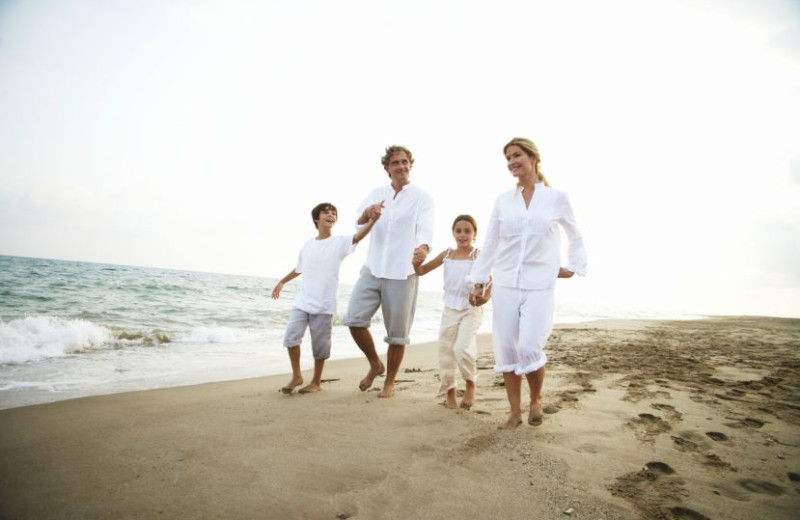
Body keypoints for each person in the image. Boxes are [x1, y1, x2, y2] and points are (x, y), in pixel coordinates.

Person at [468, 137, 587, 429]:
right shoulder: (502, 202)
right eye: (507, 158)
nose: (511, 162)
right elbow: (491, 242)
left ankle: (535, 399)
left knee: (530, 346)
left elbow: (575, 235)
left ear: (533, 158)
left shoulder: (557, 198)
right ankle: (514, 411)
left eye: (516, 155)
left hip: (540, 283)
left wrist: (573, 266)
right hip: (507, 281)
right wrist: (479, 280)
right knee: (506, 348)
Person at [345, 145, 434, 398]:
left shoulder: (422, 197)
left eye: (405, 162)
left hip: (403, 272)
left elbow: (426, 229)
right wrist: (368, 212)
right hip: (373, 268)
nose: (401, 166)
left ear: (410, 165)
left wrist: (423, 249)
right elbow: (359, 221)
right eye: (395, 163)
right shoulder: (377, 193)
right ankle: (375, 363)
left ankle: (390, 382)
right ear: (387, 168)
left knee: (397, 336)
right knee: (353, 319)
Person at [271, 201, 379, 395]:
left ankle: (315, 382)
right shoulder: (307, 245)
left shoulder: (339, 243)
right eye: (326, 213)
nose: (331, 215)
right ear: (316, 219)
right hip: (302, 302)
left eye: (334, 213)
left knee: (320, 347)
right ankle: (297, 375)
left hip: (324, 304)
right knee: (291, 337)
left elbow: (358, 237)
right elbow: (299, 269)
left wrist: (372, 221)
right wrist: (282, 281)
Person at [415, 214, 491, 410]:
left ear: (474, 234)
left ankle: (470, 383)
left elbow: (490, 281)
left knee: (462, 349)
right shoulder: (447, 254)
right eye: (458, 231)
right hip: (449, 308)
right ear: (453, 233)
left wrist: (485, 297)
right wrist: (416, 261)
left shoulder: (478, 255)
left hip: (471, 309)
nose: (462, 235)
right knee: (447, 351)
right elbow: (422, 271)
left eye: (467, 231)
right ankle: (449, 391)